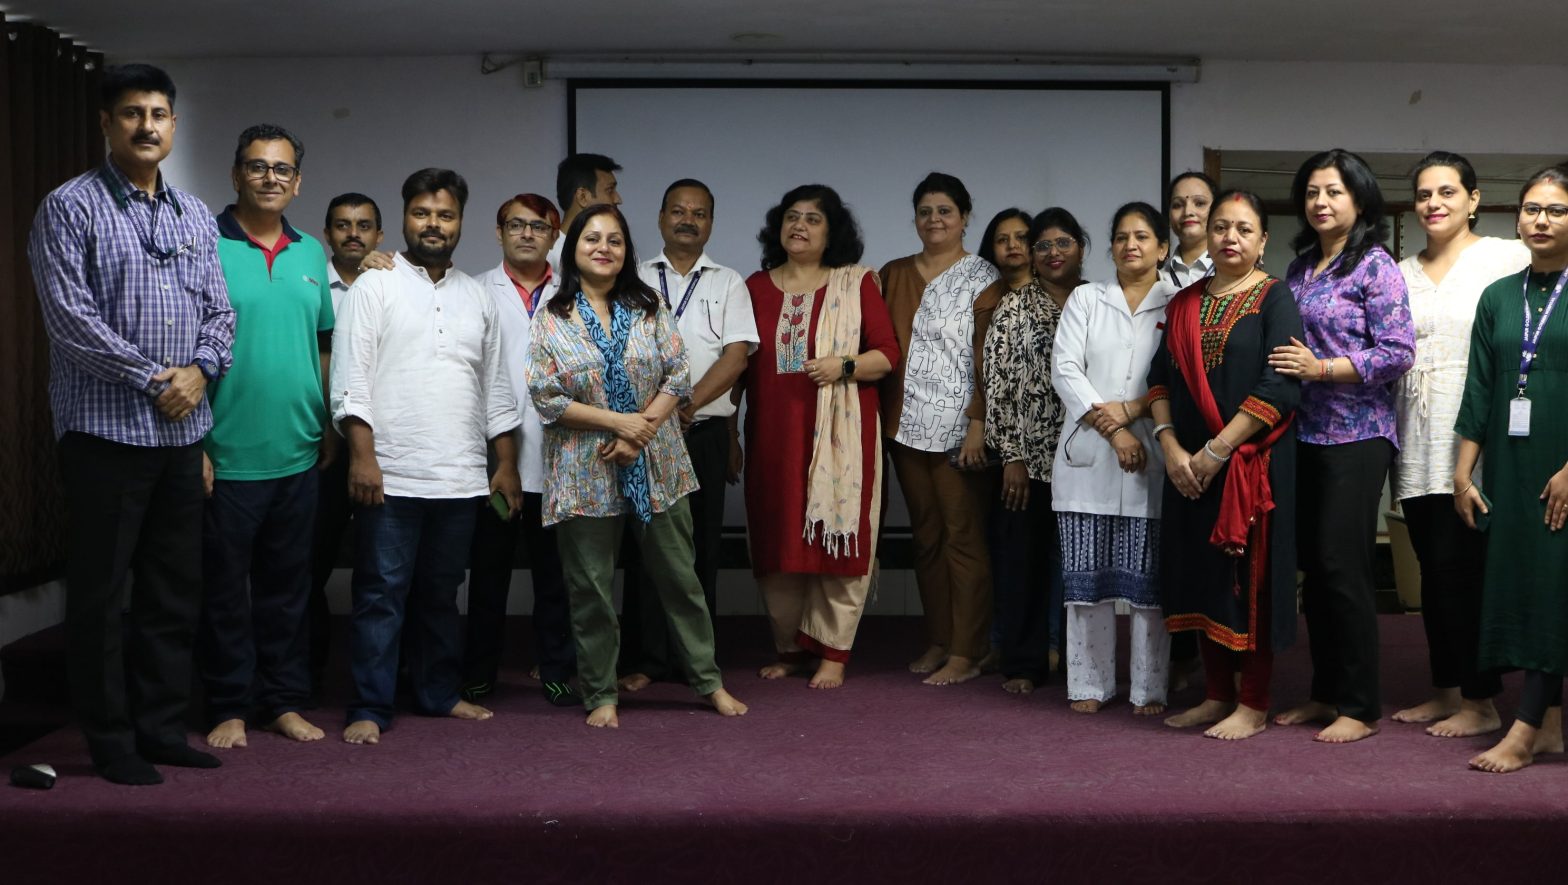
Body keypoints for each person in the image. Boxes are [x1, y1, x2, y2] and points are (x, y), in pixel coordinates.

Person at [27, 63, 233, 784]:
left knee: (173, 592)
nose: (147, 125)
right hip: (104, 434)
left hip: (181, 437)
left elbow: (220, 312)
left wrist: (201, 370)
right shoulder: (69, 207)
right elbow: (69, 319)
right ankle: (110, 741)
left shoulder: (195, 214)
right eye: (131, 113)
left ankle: (161, 727)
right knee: (103, 595)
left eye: (158, 113)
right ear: (107, 124)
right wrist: (156, 378)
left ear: (174, 124)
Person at [526, 203, 748, 728]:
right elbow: (546, 395)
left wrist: (640, 429)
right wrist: (618, 424)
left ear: (626, 251)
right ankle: (601, 692)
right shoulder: (551, 315)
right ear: (573, 250)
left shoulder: (649, 305)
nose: (603, 248)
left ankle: (708, 681)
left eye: (615, 240)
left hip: (659, 462)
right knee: (592, 590)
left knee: (680, 579)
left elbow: (678, 374)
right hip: (584, 469)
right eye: (591, 239)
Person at [331, 168, 521, 744]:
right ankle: (369, 705)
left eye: (445, 214)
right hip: (390, 474)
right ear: (405, 219)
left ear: (461, 222)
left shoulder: (478, 296)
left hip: (460, 478)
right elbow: (350, 377)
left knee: (441, 595)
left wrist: (504, 464)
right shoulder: (375, 285)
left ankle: (439, 694)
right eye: (422, 213)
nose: (433, 224)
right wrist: (363, 457)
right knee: (380, 594)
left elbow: (496, 389)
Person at [1269, 148, 1414, 744]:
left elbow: (1398, 352)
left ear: (1359, 200)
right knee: (1314, 568)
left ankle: (1360, 705)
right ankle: (1325, 691)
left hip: (1358, 435)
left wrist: (1323, 369)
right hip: (1302, 433)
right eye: (1312, 193)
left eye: (1333, 192)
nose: (1321, 202)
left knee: (1342, 565)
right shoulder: (1300, 268)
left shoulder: (1376, 267)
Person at [1148, 191, 1303, 740]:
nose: (1229, 237)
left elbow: (1280, 385)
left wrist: (1217, 451)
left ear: (1263, 241)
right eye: (1220, 227)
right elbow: (1158, 382)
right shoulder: (1183, 304)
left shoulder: (1274, 297)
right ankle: (1217, 695)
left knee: (1248, 582)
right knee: (1199, 574)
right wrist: (1171, 449)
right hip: (1188, 469)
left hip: (1248, 466)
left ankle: (1254, 702)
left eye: (1243, 229)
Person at [198, 124, 334, 750]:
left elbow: (323, 344)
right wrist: (194, 442)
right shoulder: (205, 244)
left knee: (289, 591)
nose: (270, 177)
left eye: (282, 169)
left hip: (299, 453)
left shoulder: (311, 253)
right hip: (224, 456)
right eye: (257, 167)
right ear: (236, 175)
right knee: (225, 592)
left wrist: (329, 422)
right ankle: (228, 705)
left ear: (297, 181)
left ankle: (282, 701)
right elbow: (182, 345)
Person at [1391, 151, 1527, 737]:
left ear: (1474, 199)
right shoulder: (1398, 271)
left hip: (1478, 437)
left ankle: (1481, 701)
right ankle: (1446, 691)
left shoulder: (1506, 256)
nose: (1434, 204)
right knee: (1431, 570)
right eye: (1424, 194)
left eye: (1448, 192)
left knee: (1464, 572)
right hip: (1413, 437)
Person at [743, 184, 899, 689]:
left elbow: (887, 355)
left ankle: (833, 650)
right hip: (773, 434)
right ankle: (790, 647)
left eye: (813, 218)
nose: (800, 226)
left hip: (841, 437)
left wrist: (844, 365)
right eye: (792, 216)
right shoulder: (755, 288)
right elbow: (737, 365)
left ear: (831, 231)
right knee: (778, 541)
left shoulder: (855, 284)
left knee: (839, 539)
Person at [619, 179, 759, 692]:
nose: (687, 219)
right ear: (659, 218)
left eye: (699, 213)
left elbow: (736, 356)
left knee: (701, 548)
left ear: (711, 224)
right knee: (644, 548)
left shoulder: (728, 282)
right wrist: (657, 415)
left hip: (701, 431)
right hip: (643, 434)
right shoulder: (631, 278)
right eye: (677, 211)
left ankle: (695, 660)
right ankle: (646, 658)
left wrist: (687, 403)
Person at [1456, 165, 1568, 773]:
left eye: (1555, 210)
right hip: (1511, 465)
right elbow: (1478, 390)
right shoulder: (1500, 295)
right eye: (1531, 209)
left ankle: (1524, 730)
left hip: (1565, 465)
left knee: (1553, 589)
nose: (1541, 220)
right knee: (1524, 588)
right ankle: (1549, 724)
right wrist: (1463, 473)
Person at [1050, 202, 1175, 715]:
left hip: (1153, 455)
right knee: (1087, 582)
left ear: (1163, 248)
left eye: (1142, 236)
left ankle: (1149, 688)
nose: (1131, 245)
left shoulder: (1180, 302)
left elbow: (1178, 377)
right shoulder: (1086, 298)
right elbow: (1065, 370)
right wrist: (1116, 431)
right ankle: (1088, 684)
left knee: (1147, 589)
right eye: (1121, 237)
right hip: (1090, 458)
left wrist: (1133, 417)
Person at [880, 173, 1000, 685]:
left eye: (945, 211)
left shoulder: (984, 276)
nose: (935, 220)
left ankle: (969, 651)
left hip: (958, 430)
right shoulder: (893, 273)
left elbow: (987, 359)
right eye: (925, 211)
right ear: (915, 218)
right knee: (925, 537)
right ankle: (939, 638)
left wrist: (978, 422)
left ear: (965, 216)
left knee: (962, 538)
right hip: (904, 426)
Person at [463, 193, 579, 707]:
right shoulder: (476, 292)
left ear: (556, 236)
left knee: (557, 578)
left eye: (539, 226)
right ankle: (479, 674)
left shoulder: (576, 292)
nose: (527, 234)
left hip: (562, 458)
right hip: (494, 460)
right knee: (489, 576)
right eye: (516, 224)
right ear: (499, 231)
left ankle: (557, 669)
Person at [971, 208, 1085, 693]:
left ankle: (1082, 662)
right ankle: (1024, 662)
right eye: (1043, 246)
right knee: (1025, 563)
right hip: (1031, 460)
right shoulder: (1015, 306)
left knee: (1080, 564)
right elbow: (997, 385)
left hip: (1087, 455)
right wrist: (1011, 456)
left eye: (1063, 243)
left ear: (1080, 247)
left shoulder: (1097, 300)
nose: (1052, 252)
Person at [307, 192, 384, 695]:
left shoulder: (396, 281)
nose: (352, 233)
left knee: (381, 569)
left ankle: (377, 675)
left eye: (363, 225)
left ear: (379, 234)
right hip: (319, 444)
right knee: (310, 561)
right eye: (341, 225)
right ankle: (307, 674)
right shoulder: (309, 282)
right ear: (328, 233)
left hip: (381, 448)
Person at [549, 153, 622, 271]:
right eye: (610, 190)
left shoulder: (619, 250)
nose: (618, 199)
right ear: (582, 197)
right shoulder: (548, 255)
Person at [1165, 172, 1217, 288]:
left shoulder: (1231, 273)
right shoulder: (1157, 277)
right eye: (1178, 205)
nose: (1188, 212)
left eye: (1199, 203)